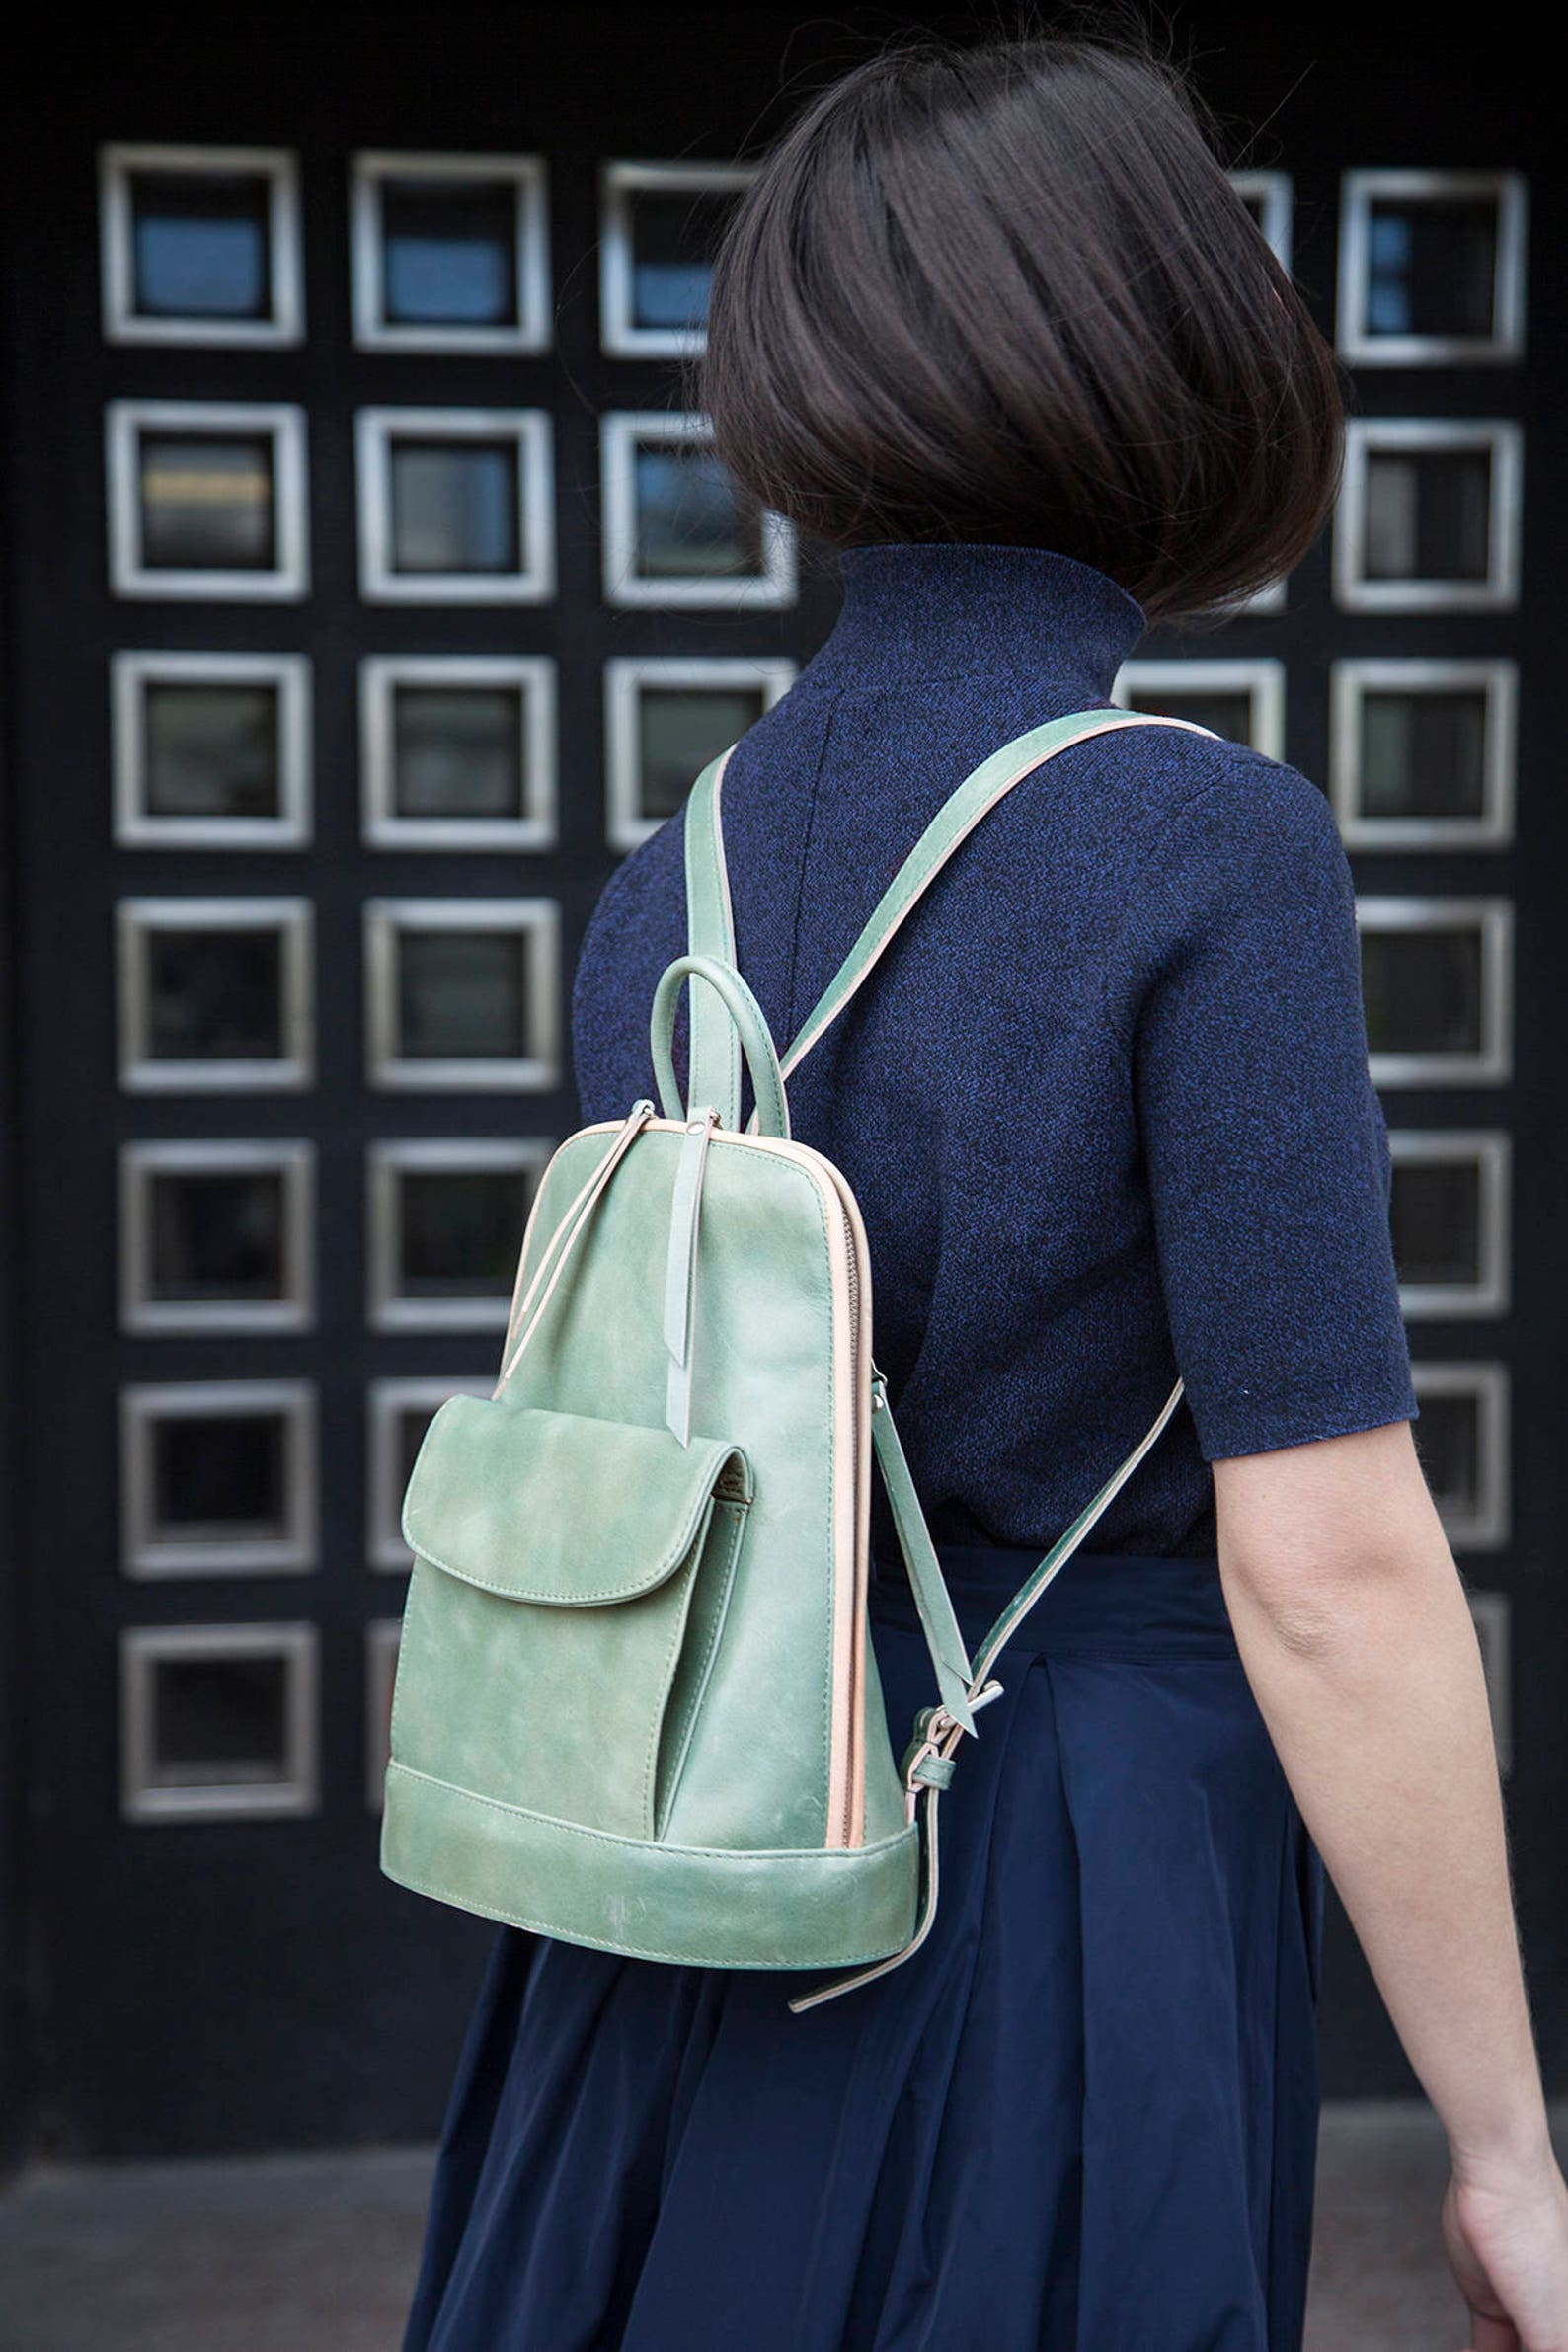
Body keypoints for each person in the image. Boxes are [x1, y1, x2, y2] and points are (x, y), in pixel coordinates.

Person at [399, 29, 1568, 2351]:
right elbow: (1324, 1563)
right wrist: (1508, 2154)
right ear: (1175, 352)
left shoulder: (672, 875)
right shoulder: (1201, 846)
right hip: (1045, 1888)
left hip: (683, 1880)